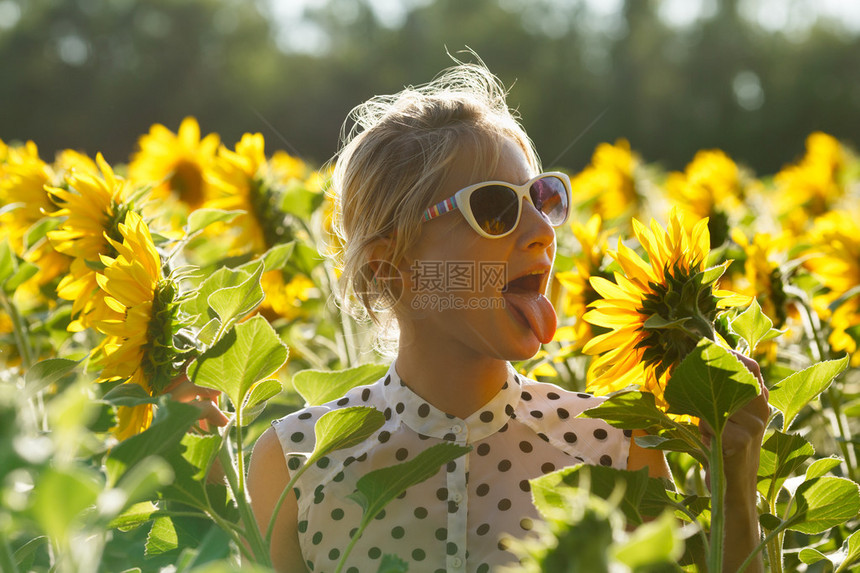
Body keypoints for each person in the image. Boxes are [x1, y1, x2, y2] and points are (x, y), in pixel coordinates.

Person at [246, 60, 768, 573]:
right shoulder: (295, 464)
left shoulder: (614, 446)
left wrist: (736, 483)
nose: (542, 229)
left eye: (543, 199)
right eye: (495, 208)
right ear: (391, 268)